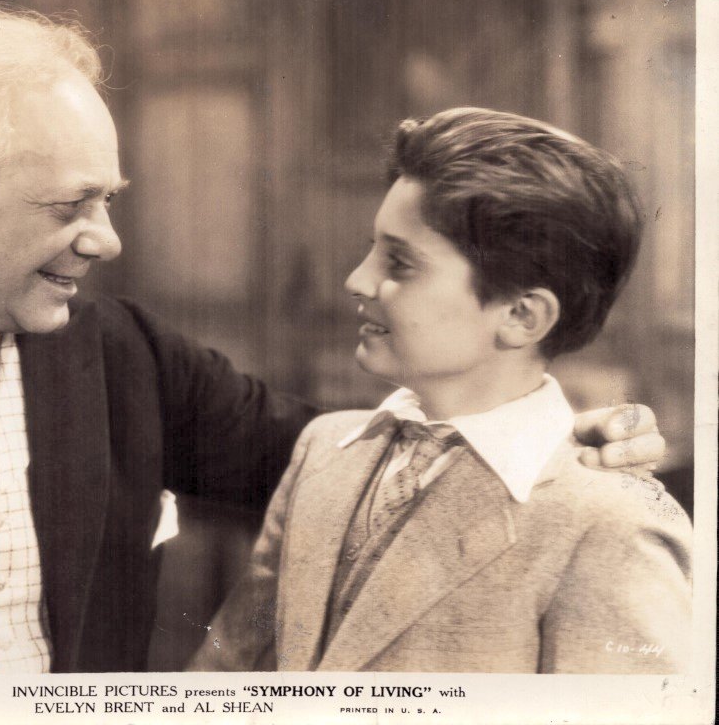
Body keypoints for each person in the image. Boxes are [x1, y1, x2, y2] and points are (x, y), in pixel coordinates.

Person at [0, 8, 666, 674]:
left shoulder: (124, 353)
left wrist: (568, 438)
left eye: (108, 201)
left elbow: (372, 465)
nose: (106, 240)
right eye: (68, 206)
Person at [189, 108, 691, 674]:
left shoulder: (611, 525)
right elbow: (223, 677)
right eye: (372, 249)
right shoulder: (322, 451)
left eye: (400, 263)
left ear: (522, 315)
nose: (357, 280)